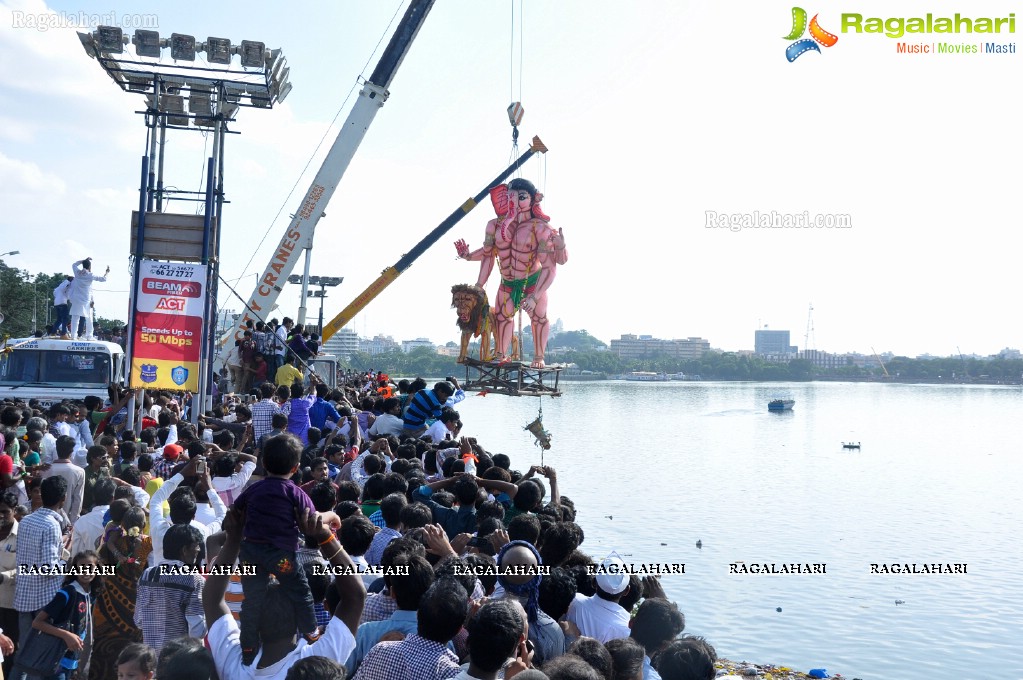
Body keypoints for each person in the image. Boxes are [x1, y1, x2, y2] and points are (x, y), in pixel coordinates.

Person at [203, 507, 366, 680]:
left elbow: (212, 600)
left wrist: (233, 539)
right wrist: (324, 535)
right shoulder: (316, 664)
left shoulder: (233, 662)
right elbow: (355, 596)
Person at [456, 178, 567, 368]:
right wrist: (477, 280)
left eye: (521, 197)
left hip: (532, 282)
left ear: (534, 200)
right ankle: (501, 354)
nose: (515, 202)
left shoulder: (541, 228)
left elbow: (551, 267)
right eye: (510, 197)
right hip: (507, 282)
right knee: (501, 317)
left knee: (539, 318)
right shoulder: (494, 225)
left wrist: (535, 296)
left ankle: (539, 357)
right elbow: (488, 254)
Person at [232, 434, 319, 666]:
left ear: (265, 464)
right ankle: (311, 632)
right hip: (281, 557)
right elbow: (310, 519)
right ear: (296, 467)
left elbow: (235, 511)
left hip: (250, 554)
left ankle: (248, 646)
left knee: (252, 599)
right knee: (300, 592)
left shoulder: (253, 489)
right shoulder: (295, 492)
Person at [90, 507, 151, 680]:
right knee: (131, 654)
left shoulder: (111, 542)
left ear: (123, 524)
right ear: (144, 525)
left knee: (103, 654)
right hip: (135, 610)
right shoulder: (148, 543)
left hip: (105, 610)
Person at [13, 476, 67, 662]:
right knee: (41, 657)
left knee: (24, 654)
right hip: (43, 599)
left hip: (24, 594)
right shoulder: (52, 525)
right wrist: (67, 565)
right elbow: (48, 569)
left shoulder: (26, 520)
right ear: (64, 499)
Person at [25, 550, 102, 680]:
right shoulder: (67, 593)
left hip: (72, 662)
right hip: (57, 660)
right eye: (81, 567)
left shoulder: (90, 594)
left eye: (90, 567)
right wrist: (66, 635)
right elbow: (37, 623)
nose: (86, 571)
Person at [134, 525, 206, 651]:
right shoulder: (194, 580)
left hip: (150, 658)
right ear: (184, 550)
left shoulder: (147, 575)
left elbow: (139, 621)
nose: (199, 549)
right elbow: (197, 632)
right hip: (180, 659)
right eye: (196, 545)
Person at [0, 492, 19, 679]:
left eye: (5, 512)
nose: (1, 516)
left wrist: (4, 577)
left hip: (10, 605)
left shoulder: (21, 535)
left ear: (14, 511)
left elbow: (27, 569)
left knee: (10, 650)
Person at [69, 258, 108, 341]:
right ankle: (89, 336)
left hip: (76, 298)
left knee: (75, 318)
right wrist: (107, 273)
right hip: (86, 300)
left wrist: (83, 260)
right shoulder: (90, 275)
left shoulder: (77, 273)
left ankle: (73, 336)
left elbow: (74, 264)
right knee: (89, 318)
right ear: (90, 266)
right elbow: (103, 279)